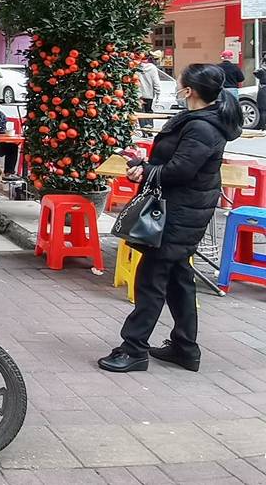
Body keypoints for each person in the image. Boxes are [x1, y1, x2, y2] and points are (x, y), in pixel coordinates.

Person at [98, 64, 242, 374]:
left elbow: (180, 171)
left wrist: (146, 171)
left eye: (179, 83)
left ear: (189, 90)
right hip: (183, 209)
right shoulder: (199, 120)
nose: (176, 86)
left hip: (179, 214)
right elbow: (175, 163)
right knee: (179, 280)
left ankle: (134, 349)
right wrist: (144, 164)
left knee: (151, 280)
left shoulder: (202, 126)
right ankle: (185, 348)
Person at [0, 108, 19, 178]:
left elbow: (2, 128)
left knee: (12, 147)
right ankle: (8, 173)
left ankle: (9, 173)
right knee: (12, 147)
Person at [255, 55, 266, 127]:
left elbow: (255, 73)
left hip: (263, 89)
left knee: (263, 109)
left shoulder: (261, 70)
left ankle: (263, 126)